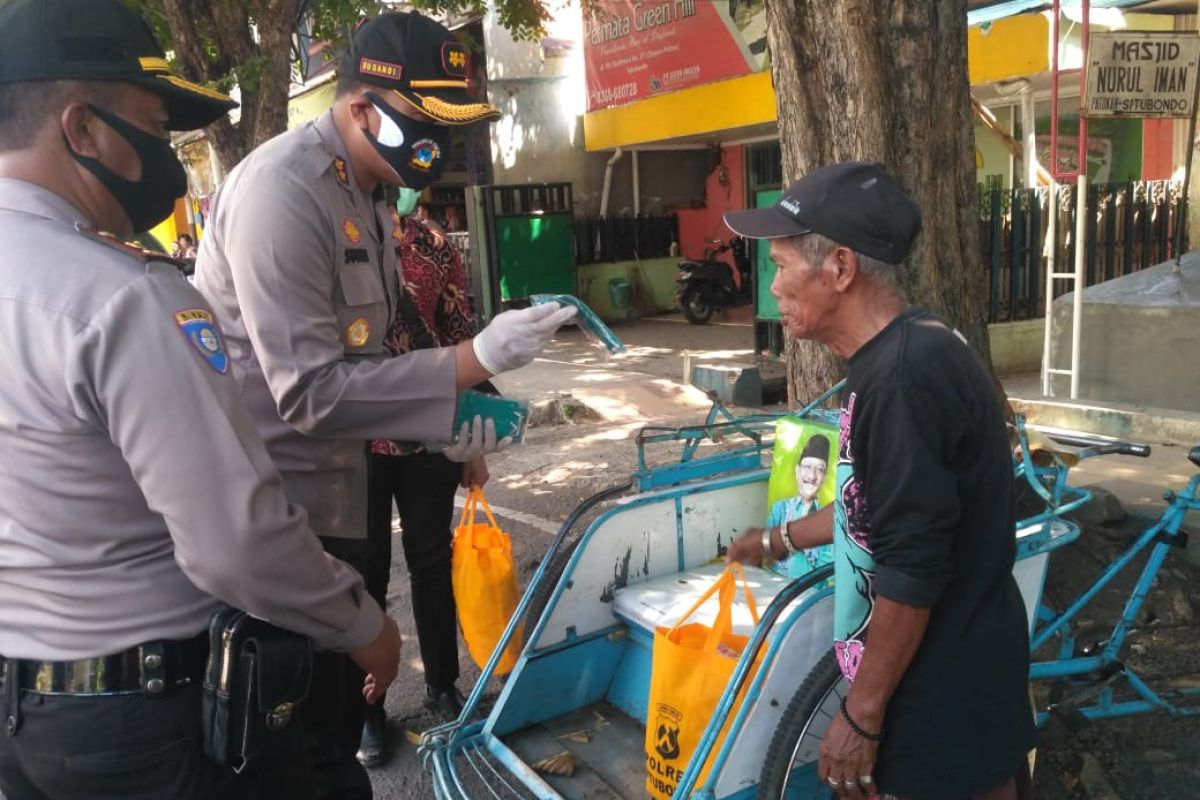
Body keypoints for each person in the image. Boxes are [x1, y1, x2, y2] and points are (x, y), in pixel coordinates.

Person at [0, 1, 403, 799]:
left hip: (24, 709)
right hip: (145, 715)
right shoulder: (121, 297)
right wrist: (365, 627)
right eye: (153, 125)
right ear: (82, 129)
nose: (168, 154)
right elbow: (236, 541)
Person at [192, 12, 576, 799]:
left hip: (341, 494)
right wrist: (472, 360)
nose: (437, 140)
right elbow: (307, 392)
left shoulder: (368, 188)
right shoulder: (282, 193)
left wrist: (445, 421)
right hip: (273, 520)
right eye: (425, 120)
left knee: (331, 732)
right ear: (364, 108)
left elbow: (369, 358)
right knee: (296, 755)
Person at [724, 162, 1035, 800]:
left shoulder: (904, 381)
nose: (773, 286)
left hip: (942, 695)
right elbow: (877, 508)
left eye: (781, 265)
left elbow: (912, 566)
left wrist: (861, 716)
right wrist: (778, 538)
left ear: (839, 269)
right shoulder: (906, 350)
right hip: (945, 678)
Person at [357, 193, 485, 767]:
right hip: (351, 439)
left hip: (428, 434)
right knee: (363, 576)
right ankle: (366, 711)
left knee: (432, 561)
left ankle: (441, 684)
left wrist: (470, 446)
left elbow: (463, 343)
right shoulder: (333, 243)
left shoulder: (433, 248)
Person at [766, 433, 833, 579]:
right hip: (773, 586)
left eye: (820, 470)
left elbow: (828, 573)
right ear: (797, 471)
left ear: (825, 478)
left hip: (808, 594)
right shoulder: (780, 509)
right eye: (807, 467)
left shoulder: (828, 520)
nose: (812, 476)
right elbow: (765, 553)